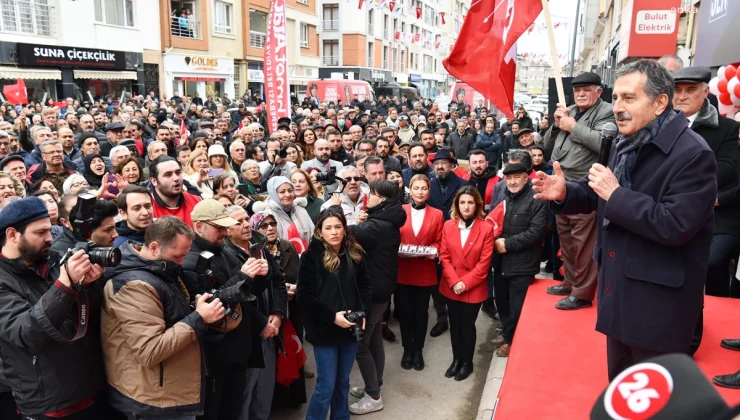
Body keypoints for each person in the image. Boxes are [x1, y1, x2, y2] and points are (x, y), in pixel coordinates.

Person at [533, 59, 717, 381]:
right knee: (619, 392)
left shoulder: (694, 154)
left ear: (660, 102)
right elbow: (600, 194)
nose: (617, 107)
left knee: (652, 402)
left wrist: (616, 195)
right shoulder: (624, 141)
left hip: (657, 310)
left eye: (628, 98)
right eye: (616, 97)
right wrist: (565, 192)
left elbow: (675, 224)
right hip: (617, 293)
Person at [101, 216, 221, 420]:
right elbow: (150, 350)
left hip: (168, 391)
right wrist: (199, 318)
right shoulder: (134, 285)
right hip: (153, 401)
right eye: (177, 257)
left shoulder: (161, 270)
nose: (182, 263)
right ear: (154, 247)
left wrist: (195, 309)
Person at [0, 197, 107, 418]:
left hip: (91, 388)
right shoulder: (3, 280)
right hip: (49, 403)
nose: (50, 238)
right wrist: (65, 284)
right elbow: (27, 332)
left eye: (50, 230)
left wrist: (87, 286)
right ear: (12, 235)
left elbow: (90, 318)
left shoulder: (55, 260)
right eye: (40, 233)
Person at [182, 199, 270, 420]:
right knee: (216, 412)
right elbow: (209, 307)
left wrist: (261, 275)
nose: (224, 232)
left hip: (237, 350)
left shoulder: (224, 250)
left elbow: (248, 296)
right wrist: (243, 276)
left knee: (233, 409)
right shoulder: (190, 261)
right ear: (199, 226)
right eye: (218, 227)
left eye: (225, 227)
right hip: (215, 355)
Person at [542, 71, 616, 310]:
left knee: (583, 243)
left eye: (586, 89)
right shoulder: (570, 110)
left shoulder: (606, 111)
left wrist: (572, 126)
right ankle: (570, 282)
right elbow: (546, 146)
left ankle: (582, 293)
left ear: (599, 91)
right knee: (567, 241)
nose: (581, 93)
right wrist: (556, 124)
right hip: (561, 185)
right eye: (577, 90)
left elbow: (603, 143)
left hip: (584, 186)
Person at [297, 207, 372, 420]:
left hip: (350, 328)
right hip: (325, 330)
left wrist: (364, 313)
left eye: (338, 227)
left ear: (344, 228)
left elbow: (365, 286)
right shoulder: (311, 256)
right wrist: (332, 317)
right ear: (320, 231)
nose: (334, 232)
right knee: (326, 385)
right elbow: (304, 296)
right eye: (328, 228)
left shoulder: (354, 252)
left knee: (343, 382)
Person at [671, 67, 740, 298]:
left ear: (705, 91)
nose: (682, 96)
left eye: (690, 90)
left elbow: (726, 169)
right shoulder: (655, 125)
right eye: (677, 90)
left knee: (711, 263)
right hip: (667, 211)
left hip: (714, 217)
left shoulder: (727, 128)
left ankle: (712, 309)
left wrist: (682, 184)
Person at [348, 180, 406, 415]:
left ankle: (373, 395)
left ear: (381, 199)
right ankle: (375, 385)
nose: (367, 197)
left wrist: (350, 218)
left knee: (360, 343)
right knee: (373, 340)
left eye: (371, 194)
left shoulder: (378, 226)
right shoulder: (387, 220)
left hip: (373, 292)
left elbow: (345, 231)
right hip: (382, 289)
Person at [490, 162, 548, 357]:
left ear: (526, 177)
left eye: (517, 177)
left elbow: (537, 232)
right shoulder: (505, 196)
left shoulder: (537, 199)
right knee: (502, 301)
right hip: (501, 261)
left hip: (523, 263)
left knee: (517, 306)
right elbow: (494, 222)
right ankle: (507, 333)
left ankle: (512, 340)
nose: (513, 181)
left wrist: (507, 243)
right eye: (509, 178)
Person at [439, 186, 494, 381]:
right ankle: (456, 359)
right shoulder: (448, 226)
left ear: (477, 204)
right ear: (457, 204)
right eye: (462, 202)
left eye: (470, 202)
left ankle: (467, 362)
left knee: (467, 324)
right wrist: (455, 282)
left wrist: (464, 283)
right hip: (451, 284)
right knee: (454, 324)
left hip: (473, 286)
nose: (466, 206)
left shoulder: (486, 228)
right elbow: (444, 256)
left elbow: (484, 263)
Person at [238, 209, 289, 420]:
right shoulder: (224, 253)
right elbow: (236, 297)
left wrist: (278, 312)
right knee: (244, 393)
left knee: (264, 388)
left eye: (245, 220)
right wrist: (262, 324)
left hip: (270, 328)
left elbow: (277, 281)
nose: (245, 224)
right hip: (247, 335)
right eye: (238, 221)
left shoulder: (258, 248)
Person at [396, 174, 443, 371]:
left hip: (425, 270)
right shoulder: (399, 211)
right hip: (403, 269)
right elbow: (392, 237)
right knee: (405, 313)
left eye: (424, 188)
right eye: (417, 188)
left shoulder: (437, 214)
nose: (420, 192)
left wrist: (429, 251)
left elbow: (439, 241)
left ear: (429, 191)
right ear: (410, 190)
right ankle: (407, 349)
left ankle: (418, 350)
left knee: (421, 313)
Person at [427, 148, 468, 337]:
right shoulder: (429, 185)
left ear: (452, 165)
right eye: (437, 164)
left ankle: (458, 317)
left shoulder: (463, 185)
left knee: (456, 278)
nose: (440, 167)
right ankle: (442, 318)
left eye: (444, 163)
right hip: (434, 240)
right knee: (436, 282)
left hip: (458, 239)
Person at [149, 156, 202, 227]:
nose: (176, 178)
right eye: (168, 175)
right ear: (154, 181)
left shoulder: (196, 201)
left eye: (178, 172)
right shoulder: (146, 207)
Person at [264, 176, 315, 248]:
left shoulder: (300, 209)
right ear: (274, 194)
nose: (287, 195)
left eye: (290, 190)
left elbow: (313, 234)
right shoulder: (268, 215)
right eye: (282, 192)